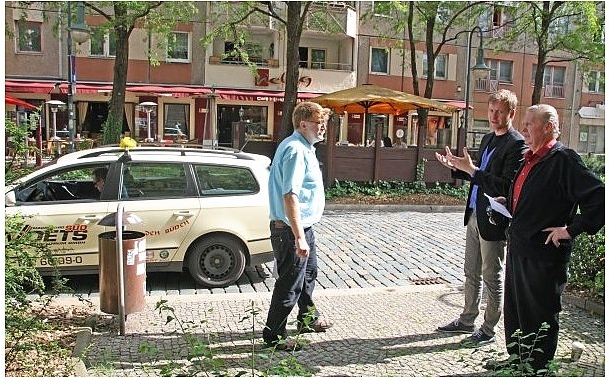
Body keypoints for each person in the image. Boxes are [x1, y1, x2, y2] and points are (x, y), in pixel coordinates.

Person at [496, 104, 605, 373]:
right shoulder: (528, 158)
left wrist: (569, 229)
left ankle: (538, 369)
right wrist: (507, 201)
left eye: (529, 124)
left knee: (539, 313)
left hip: (544, 254)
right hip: (520, 246)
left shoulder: (564, 160)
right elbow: (533, 197)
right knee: (516, 310)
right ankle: (517, 361)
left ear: (548, 127)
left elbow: (600, 199)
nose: (523, 130)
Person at [434, 89, 527, 346]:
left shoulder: (516, 143)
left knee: (491, 275)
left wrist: (472, 169)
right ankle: (467, 320)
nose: (494, 116)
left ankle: (488, 328)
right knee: (470, 271)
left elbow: (505, 186)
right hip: (475, 213)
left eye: (499, 111)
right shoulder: (487, 139)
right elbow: (478, 177)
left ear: (511, 113)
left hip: (494, 219)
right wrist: (458, 168)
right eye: (491, 110)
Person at [262, 101, 333, 351]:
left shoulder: (305, 147)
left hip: (303, 227)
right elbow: (290, 195)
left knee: (308, 275)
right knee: (290, 283)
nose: (323, 127)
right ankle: (274, 335)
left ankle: (307, 318)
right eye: (319, 122)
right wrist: (299, 236)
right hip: (291, 230)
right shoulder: (296, 150)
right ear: (303, 124)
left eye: (324, 122)